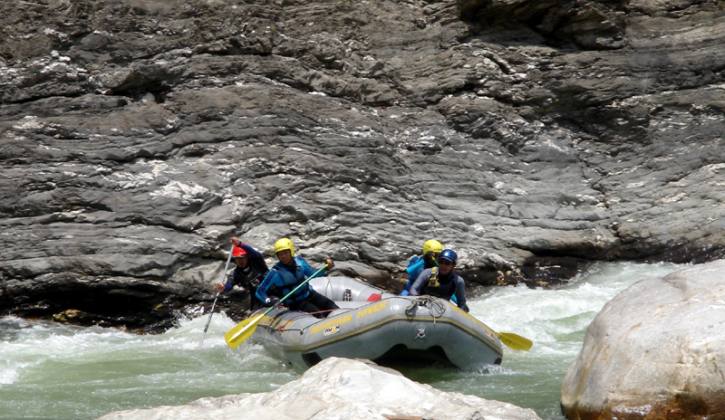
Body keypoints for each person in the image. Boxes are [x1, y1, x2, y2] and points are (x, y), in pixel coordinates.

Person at [255, 237, 339, 318]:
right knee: (318, 315)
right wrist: (268, 300)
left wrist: (326, 268)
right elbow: (260, 291)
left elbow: (313, 274)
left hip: (309, 294)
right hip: (296, 303)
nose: (283, 256)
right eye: (280, 254)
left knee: (332, 307)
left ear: (291, 251)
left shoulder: (300, 262)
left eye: (285, 253)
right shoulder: (275, 272)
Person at [215, 237, 268, 310]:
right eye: (238, 258)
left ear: (247, 257)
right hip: (256, 297)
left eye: (242, 258)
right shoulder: (236, 273)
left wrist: (240, 244)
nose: (240, 261)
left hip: (270, 291)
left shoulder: (257, 263)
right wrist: (223, 288)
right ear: (235, 260)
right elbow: (229, 285)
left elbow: (256, 254)